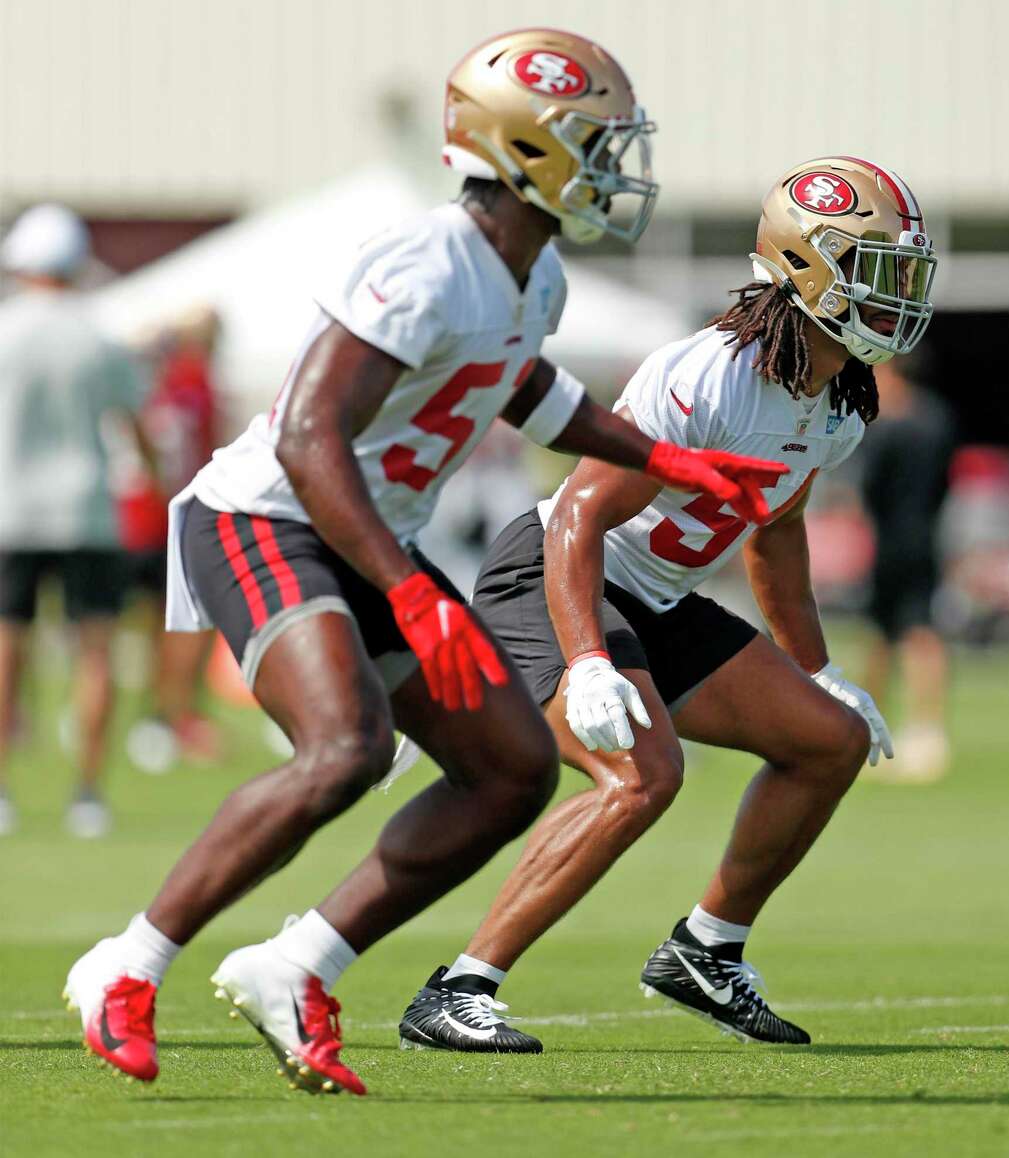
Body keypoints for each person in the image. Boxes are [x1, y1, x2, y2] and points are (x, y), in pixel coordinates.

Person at [63, 29, 785, 1096]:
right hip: (265, 517)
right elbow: (310, 437)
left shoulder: (529, 279)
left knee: (510, 771)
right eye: (591, 142)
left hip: (363, 535)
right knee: (344, 748)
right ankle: (126, 965)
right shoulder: (430, 260)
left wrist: (664, 456)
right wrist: (409, 589)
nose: (611, 166)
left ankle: (296, 963)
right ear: (524, 150)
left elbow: (528, 391)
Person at [396, 157, 938, 1052]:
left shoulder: (837, 403)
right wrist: (589, 660)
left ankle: (706, 951)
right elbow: (577, 515)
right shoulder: (714, 371)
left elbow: (775, 535)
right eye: (877, 270)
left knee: (826, 741)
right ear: (808, 268)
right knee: (642, 777)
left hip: (654, 595)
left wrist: (820, 671)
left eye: (905, 274)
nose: (897, 295)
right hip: (554, 574)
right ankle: (459, 987)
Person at [0, 204, 149, 839]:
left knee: (8, 649)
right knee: (95, 649)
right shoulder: (98, 335)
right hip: (88, 507)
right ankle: (87, 793)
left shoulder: (4, 329)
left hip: (11, 510)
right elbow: (135, 423)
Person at [119, 306, 223, 771]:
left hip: (129, 520)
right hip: (163, 519)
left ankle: (163, 716)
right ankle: (172, 715)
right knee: (183, 626)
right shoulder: (190, 384)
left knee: (144, 629)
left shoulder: (142, 387)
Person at [859, 351, 955, 782]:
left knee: (906, 630)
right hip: (929, 533)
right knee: (897, 631)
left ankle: (882, 728)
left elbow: (869, 487)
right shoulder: (937, 417)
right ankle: (916, 727)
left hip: (893, 540)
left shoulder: (888, 426)